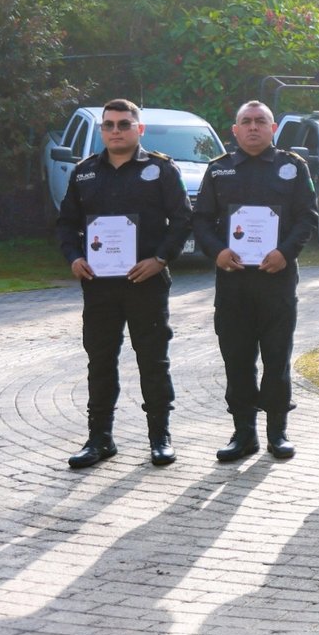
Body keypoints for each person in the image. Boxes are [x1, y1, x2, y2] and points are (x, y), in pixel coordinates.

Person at [56, 99, 193, 469]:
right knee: (100, 360)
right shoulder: (85, 172)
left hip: (145, 282)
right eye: (109, 125)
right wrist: (74, 258)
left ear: (139, 129)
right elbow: (67, 223)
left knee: (152, 359)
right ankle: (99, 439)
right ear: (102, 130)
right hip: (99, 285)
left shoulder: (161, 170)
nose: (116, 131)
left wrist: (161, 259)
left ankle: (159, 437)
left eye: (124, 124)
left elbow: (182, 220)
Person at [192, 100, 317, 461]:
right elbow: (200, 219)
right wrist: (216, 251)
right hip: (233, 282)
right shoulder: (219, 171)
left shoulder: (292, 167)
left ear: (273, 128)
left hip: (276, 280)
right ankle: (243, 433)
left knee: (277, 357)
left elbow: (306, 217)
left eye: (260, 121)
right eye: (245, 122)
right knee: (237, 358)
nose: (252, 127)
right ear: (234, 130)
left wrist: (286, 253)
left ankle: (277, 432)